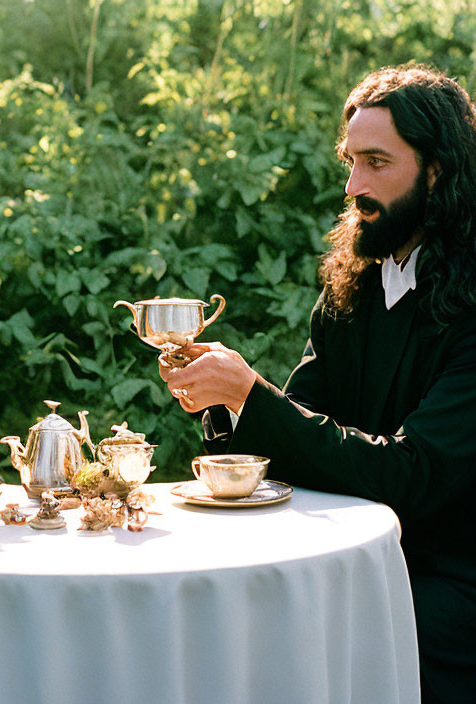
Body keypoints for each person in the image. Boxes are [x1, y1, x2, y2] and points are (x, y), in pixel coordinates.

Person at [157, 64, 476, 703]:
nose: (355, 185)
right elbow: (296, 439)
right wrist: (223, 401)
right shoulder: (350, 290)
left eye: (377, 163)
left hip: (447, 586)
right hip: (349, 564)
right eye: (350, 162)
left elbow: (413, 475)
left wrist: (251, 394)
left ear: (437, 171)